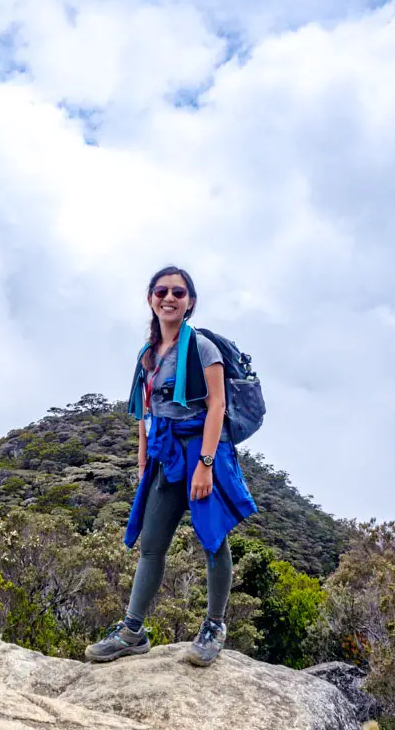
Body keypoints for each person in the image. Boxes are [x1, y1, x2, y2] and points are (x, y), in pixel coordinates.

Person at [85, 265, 258, 667]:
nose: (169, 298)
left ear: (190, 303)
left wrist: (206, 465)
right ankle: (133, 630)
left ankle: (214, 627)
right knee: (152, 544)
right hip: (165, 455)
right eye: (162, 291)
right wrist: (143, 454)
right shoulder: (148, 354)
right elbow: (146, 409)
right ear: (150, 298)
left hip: (202, 452)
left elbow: (216, 405)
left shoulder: (202, 349)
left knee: (213, 539)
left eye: (178, 293)